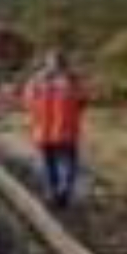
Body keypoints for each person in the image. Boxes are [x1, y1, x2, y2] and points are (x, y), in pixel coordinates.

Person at [24, 49, 88, 210]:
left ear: (47, 63)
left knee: (49, 165)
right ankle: (61, 194)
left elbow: (27, 102)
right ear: (64, 64)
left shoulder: (37, 80)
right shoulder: (73, 80)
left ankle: (54, 194)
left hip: (44, 132)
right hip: (64, 133)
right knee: (65, 165)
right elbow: (83, 101)